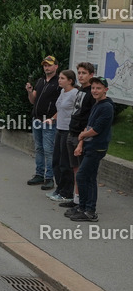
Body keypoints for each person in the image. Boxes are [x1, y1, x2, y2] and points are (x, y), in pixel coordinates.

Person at [69, 77, 114, 222]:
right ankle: (83, 208)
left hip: (97, 148)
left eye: (98, 88)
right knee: (88, 177)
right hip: (89, 145)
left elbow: (96, 130)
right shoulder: (97, 104)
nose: (95, 91)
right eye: (93, 88)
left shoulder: (106, 107)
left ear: (105, 90)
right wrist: (80, 143)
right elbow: (88, 126)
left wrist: (82, 135)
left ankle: (90, 211)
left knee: (83, 176)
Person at [62, 62, 96, 209]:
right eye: (79, 73)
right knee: (75, 168)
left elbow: (90, 118)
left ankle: (83, 202)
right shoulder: (80, 90)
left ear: (91, 75)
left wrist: (82, 138)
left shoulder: (91, 93)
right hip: (72, 132)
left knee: (82, 171)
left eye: (84, 73)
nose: (81, 76)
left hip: (81, 135)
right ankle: (76, 199)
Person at [25, 56, 60, 190]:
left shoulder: (58, 83)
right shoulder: (40, 81)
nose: (47, 67)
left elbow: (62, 105)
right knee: (39, 148)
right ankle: (39, 174)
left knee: (49, 150)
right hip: (37, 119)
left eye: (49, 65)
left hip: (49, 121)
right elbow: (33, 100)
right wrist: (29, 91)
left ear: (56, 67)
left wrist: (53, 118)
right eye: (45, 65)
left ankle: (49, 178)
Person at [47, 69, 79, 203]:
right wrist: (52, 119)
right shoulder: (62, 92)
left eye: (62, 78)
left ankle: (67, 192)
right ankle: (59, 188)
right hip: (59, 128)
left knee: (65, 163)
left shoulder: (74, 93)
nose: (59, 80)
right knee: (56, 161)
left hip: (68, 130)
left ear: (70, 81)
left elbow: (77, 112)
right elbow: (60, 109)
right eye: (59, 78)